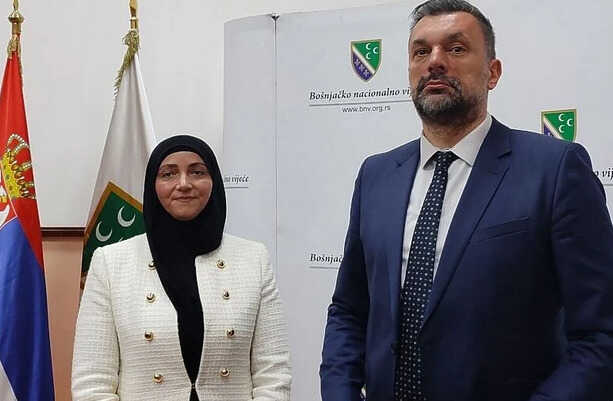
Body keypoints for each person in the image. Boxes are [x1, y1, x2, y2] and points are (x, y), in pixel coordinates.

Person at [320, 1, 613, 400]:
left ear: (493, 72)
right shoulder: (377, 175)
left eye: (456, 48)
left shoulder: (555, 169)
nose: (434, 62)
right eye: (421, 51)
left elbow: (600, 335)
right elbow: (349, 311)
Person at [72, 135, 291, 401]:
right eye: (168, 174)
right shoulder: (111, 262)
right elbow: (92, 383)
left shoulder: (253, 258)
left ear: (214, 182)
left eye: (197, 172)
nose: (184, 184)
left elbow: (273, 375)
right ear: (152, 184)